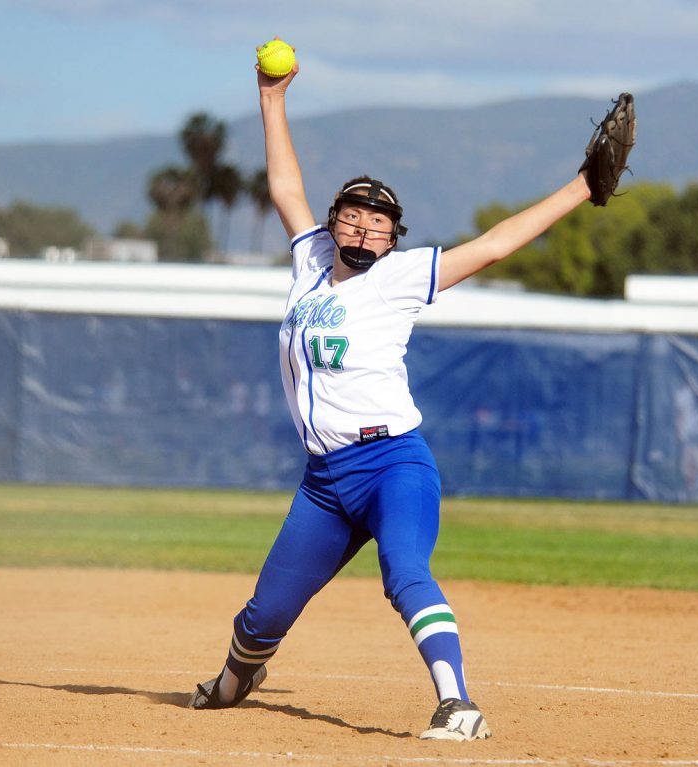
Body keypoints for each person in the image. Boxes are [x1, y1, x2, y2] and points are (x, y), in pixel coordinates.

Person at [188, 53, 604, 741]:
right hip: (324, 481)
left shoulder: (402, 277)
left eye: (378, 221)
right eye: (352, 215)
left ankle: (458, 705)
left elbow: (497, 245)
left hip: (392, 464)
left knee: (404, 571)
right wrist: (272, 99)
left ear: (392, 236)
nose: (362, 228)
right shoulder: (310, 260)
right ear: (334, 221)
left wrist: (582, 186)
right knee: (263, 615)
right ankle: (234, 681)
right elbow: (285, 185)